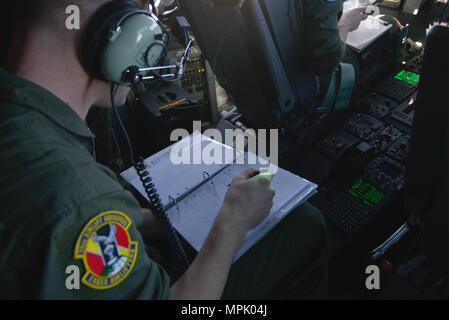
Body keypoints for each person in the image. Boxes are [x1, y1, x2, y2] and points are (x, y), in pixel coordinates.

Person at [0, 0, 328, 299]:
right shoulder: (77, 194)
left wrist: (160, 219)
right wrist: (232, 222)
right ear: (119, 29)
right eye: (144, 10)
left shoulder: (24, 118)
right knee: (305, 225)